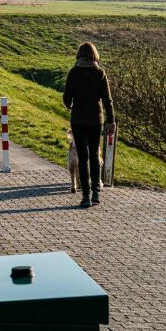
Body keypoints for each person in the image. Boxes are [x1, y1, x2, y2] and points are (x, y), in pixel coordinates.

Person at [63, 41, 115, 208]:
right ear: (94, 55)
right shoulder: (100, 73)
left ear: (79, 55)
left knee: (83, 157)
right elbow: (107, 100)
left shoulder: (73, 73)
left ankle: (85, 195)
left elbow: (66, 98)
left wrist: (71, 104)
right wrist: (111, 120)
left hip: (78, 119)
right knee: (94, 155)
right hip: (95, 119)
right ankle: (96, 193)